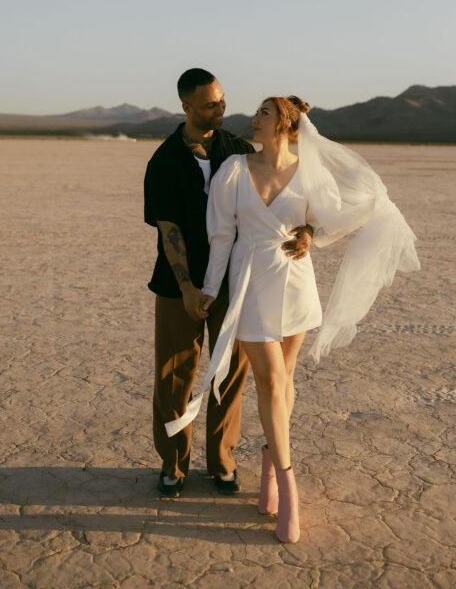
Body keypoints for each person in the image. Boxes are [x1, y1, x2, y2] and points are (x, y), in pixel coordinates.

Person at [165, 95, 420, 543]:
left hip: (297, 283)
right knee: (270, 382)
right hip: (253, 281)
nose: (253, 117)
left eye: (264, 112)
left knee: (286, 377)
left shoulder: (309, 172)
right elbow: (221, 235)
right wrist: (209, 288)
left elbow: (329, 218)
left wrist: (310, 233)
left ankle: (268, 472)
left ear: (286, 124)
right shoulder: (234, 171)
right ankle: (287, 483)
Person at [144, 70, 311, 498]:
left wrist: (306, 229)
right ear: (187, 108)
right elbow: (169, 230)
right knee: (174, 375)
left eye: (222, 101)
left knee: (230, 374)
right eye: (210, 105)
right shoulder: (163, 160)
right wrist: (187, 288)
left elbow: (285, 188)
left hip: (235, 282)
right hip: (177, 284)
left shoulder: (236, 151)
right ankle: (174, 465)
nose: (221, 109)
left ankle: (222, 462)